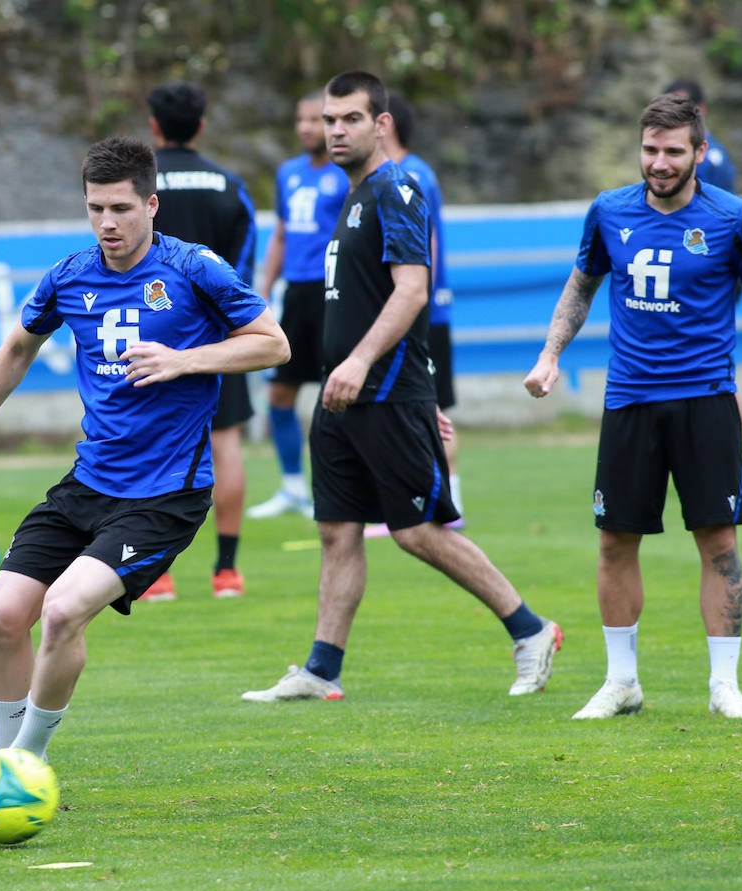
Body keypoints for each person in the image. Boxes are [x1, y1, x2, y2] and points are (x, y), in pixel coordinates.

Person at [0, 137, 288, 784]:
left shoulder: (194, 269)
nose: (107, 223)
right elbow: (16, 349)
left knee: (65, 610)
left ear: (151, 204)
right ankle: (1, 759)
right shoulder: (70, 276)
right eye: (96, 208)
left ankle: (24, 765)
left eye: (122, 208)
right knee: (0, 618)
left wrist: (185, 359)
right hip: (88, 484)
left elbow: (273, 343)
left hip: (164, 496)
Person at [241, 71, 563, 704]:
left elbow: (413, 290)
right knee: (336, 530)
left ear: (380, 124)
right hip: (343, 397)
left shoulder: (398, 190)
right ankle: (321, 669)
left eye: (350, 119)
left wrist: (360, 364)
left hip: (385, 389)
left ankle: (531, 630)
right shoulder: (354, 194)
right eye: (329, 120)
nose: (335, 130)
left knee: (417, 531)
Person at [523, 93, 742, 720]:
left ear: (700, 152)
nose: (660, 162)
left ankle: (724, 685)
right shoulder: (607, 211)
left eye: (674, 151)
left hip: (705, 400)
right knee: (615, 541)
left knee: (717, 541)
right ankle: (622, 682)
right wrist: (549, 355)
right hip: (629, 401)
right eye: (650, 150)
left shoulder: (734, 217)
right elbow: (580, 287)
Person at [144, 80, 259, 600]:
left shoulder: (139, 188)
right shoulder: (228, 185)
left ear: (153, 126)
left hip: (155, 337)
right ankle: (226, 571)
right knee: (226, 443)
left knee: (154, 446)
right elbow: (245, 267)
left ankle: (156, 573)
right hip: (220, 338)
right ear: (202, 126)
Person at [365, 91, 464, 537]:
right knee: (428, 410)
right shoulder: (401, 173)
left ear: (384, 125)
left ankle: (448, 502)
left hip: (420, 315)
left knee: (432, 411)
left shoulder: (409, 175)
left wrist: (417, 298)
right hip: (417, 309)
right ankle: (442, 502)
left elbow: (427, 245)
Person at [247, 91, 348, 522]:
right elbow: (282, 235)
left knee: (336, 394)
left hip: (333, 293)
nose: (308, 127)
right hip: (296, 295)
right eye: (301, 119)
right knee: (280, 392)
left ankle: (339, 490)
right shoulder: (289, 173)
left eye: (316, 119)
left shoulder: (346, 176)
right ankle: (291, 487)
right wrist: (264, 290)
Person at [663, 78, 736, 192]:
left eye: (683, 108)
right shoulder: (661, 153)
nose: (675, 115)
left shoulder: (713, 158)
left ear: (701, 109)